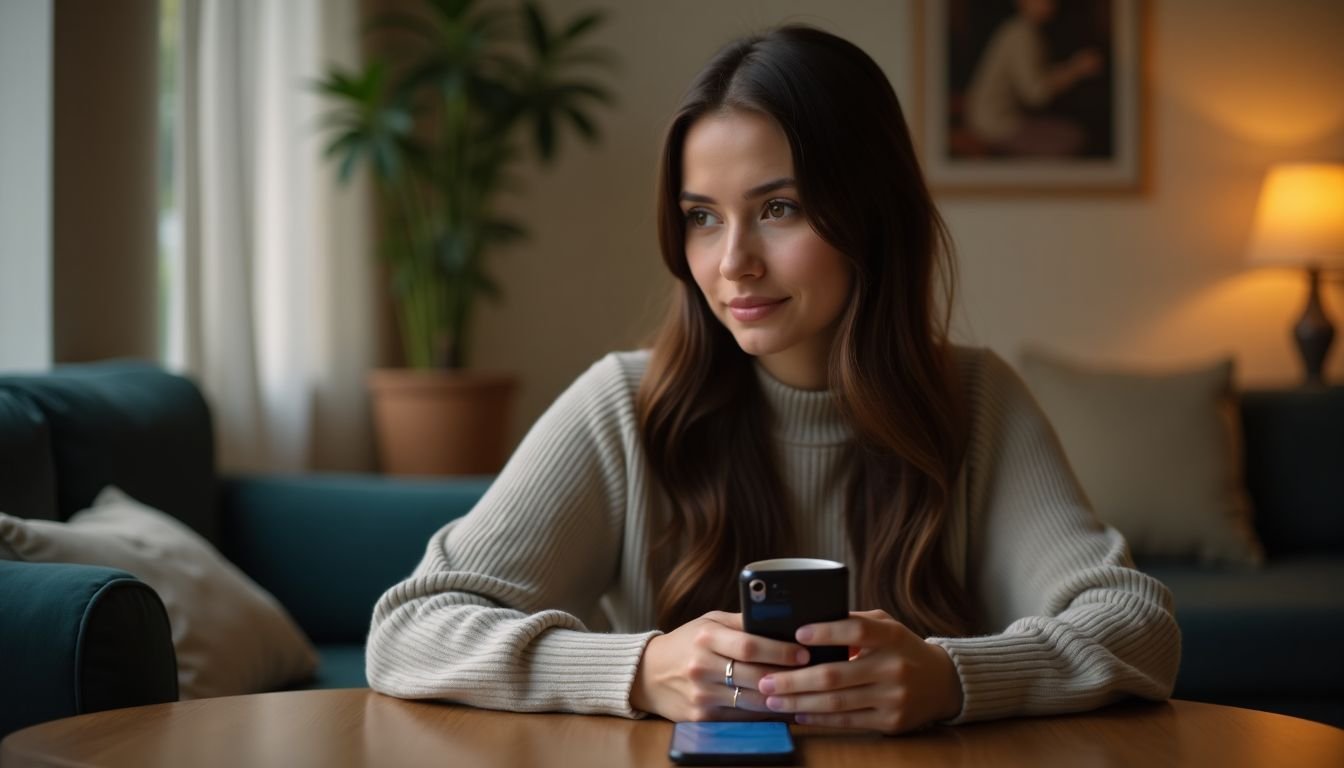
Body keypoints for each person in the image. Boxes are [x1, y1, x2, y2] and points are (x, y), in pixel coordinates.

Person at [366, 25, 1178, 734]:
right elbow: (409, 629)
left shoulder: (972, 399)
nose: (733, 264)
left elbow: (1139, 627)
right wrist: (642, 670)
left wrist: (952, 678)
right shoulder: (624, 402)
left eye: (779, 208)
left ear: (871, 212)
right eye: (702, 217)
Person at [964, 0, 1103, 156]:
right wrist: (1077, 69)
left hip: (1002, 118)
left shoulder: (1024, 30)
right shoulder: (1021, 34)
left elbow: (1036, 79)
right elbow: (1036, 94)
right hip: (996, 123)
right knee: (1073, 138)